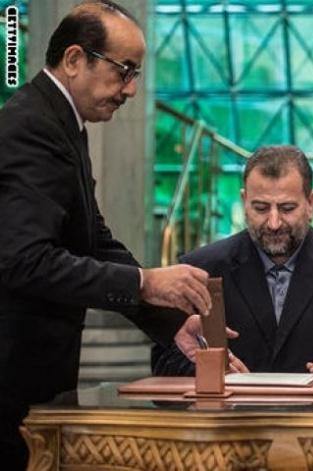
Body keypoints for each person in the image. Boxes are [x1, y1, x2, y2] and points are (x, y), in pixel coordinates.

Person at [0, 1, 213, 467]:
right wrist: (145, 282)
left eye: (136, 74)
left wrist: (171, 321)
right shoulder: (32, 127)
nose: (131, 89)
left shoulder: (60, 122)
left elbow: (94, 240)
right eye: (124, 71)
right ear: (75, 59)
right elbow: (24, 261)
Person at [153, 146, 313, 385]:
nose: (274, 223)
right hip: (234, 411)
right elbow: (164, 363)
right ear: (244, 201)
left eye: (287, 208)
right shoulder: (199, 269)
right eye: (260, 208)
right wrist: (208, 367)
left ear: (310, 203)